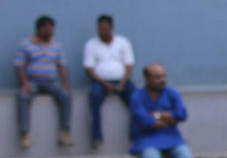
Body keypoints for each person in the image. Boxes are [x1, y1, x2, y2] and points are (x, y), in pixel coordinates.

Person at [14, 15, 74, 149]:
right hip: (33, 81)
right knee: (23, 96)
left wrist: (65, 84)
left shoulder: (56, 45)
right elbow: (19, 66)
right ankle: (24, 134)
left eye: (52, 29)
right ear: (40, 29)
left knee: (66, 95)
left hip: (51, 82)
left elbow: (62, 66)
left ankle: (65, 132)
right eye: (48, 29)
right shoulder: (27, 44)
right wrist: (24, 83)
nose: (51, 31)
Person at [84, 14, 136, 149]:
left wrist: (122, 83)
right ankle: (96, 136)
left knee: (136, 100)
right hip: (100, 82)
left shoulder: (123, 42)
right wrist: (106, 84)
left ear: (112, 28)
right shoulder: (91, 44)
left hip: (122, 81)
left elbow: (129, 65)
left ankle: (135, 135)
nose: (103, 31)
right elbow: (89, 69)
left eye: (105, 29)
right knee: (94, 97)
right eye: (100, 29)